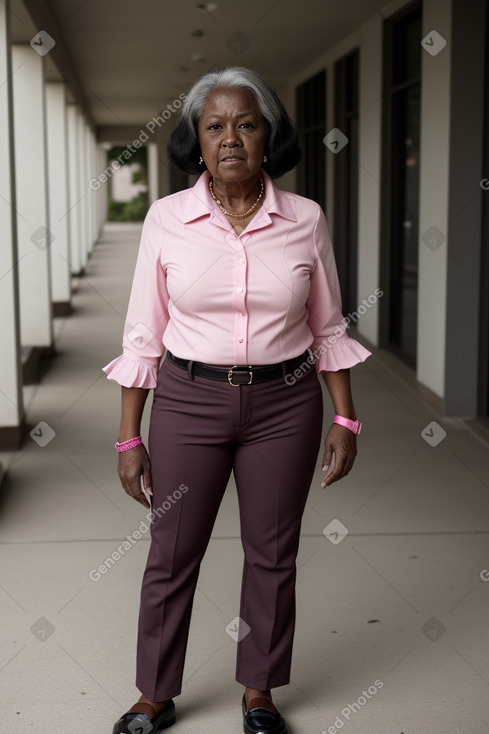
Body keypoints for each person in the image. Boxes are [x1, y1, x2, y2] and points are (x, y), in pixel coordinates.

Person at [103, 66, 371, 734]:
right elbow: (143, 334)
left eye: (246, 124)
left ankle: (259, 692)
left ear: (267, 136)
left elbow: (327, 325)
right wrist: (129, 437)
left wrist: (344, 415)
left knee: (272, 552)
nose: (230, 138)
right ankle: (154, 693)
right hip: (188, 402)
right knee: (171, 554)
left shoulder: (304, 219)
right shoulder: (167, 220)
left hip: (285, 407)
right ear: (196, 140)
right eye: (214, 125)